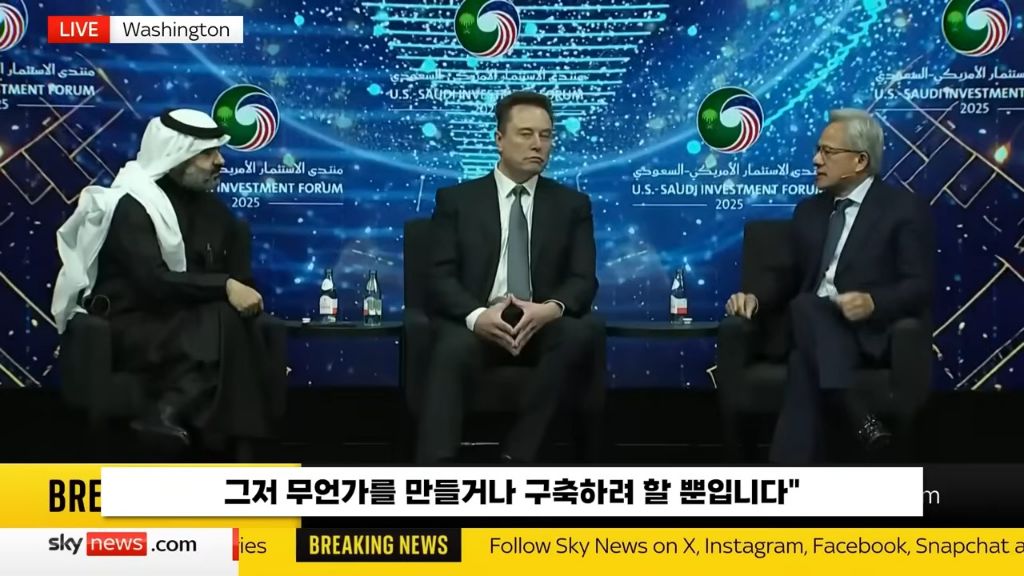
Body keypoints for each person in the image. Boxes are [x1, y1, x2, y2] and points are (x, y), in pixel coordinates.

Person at [52, 109, 286, 450]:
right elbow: (153, 282)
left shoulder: (218, 214)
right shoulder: (133, 206)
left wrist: (236, 290)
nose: (220, 162)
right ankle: (237, 446)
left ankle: (171, 412)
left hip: (191, 324)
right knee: (224, 319)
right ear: (175, 156)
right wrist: (224, 287)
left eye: (219, 152)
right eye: (207, 153)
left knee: (231, 320)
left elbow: (242, 282)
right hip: (134, 325)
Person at [724, 108, 935, 464]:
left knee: (802, 355)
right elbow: (788, 277)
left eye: (828, 152)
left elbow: (919, 285)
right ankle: (858, 414)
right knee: (806, 305)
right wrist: (754, 299)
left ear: (860, 161)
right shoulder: (808, 211)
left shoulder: (903, 209)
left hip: (864, 332)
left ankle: (784, 481)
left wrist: (873, 302)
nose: (816, 160)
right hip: (810, 325)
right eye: (817, 150)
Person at [416, 91, 600, 464]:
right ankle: (434, 471)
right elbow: (439, 276)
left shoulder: (572, 205)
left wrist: (549, 309)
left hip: (541, 325)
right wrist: (477, 317)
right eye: (526, 134)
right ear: (499, 139)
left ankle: (518, 458)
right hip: (479, 323)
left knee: (580, 332)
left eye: (546, 135)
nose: (538, 145)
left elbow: (583, 279)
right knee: (451, 348)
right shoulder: (457, 201)